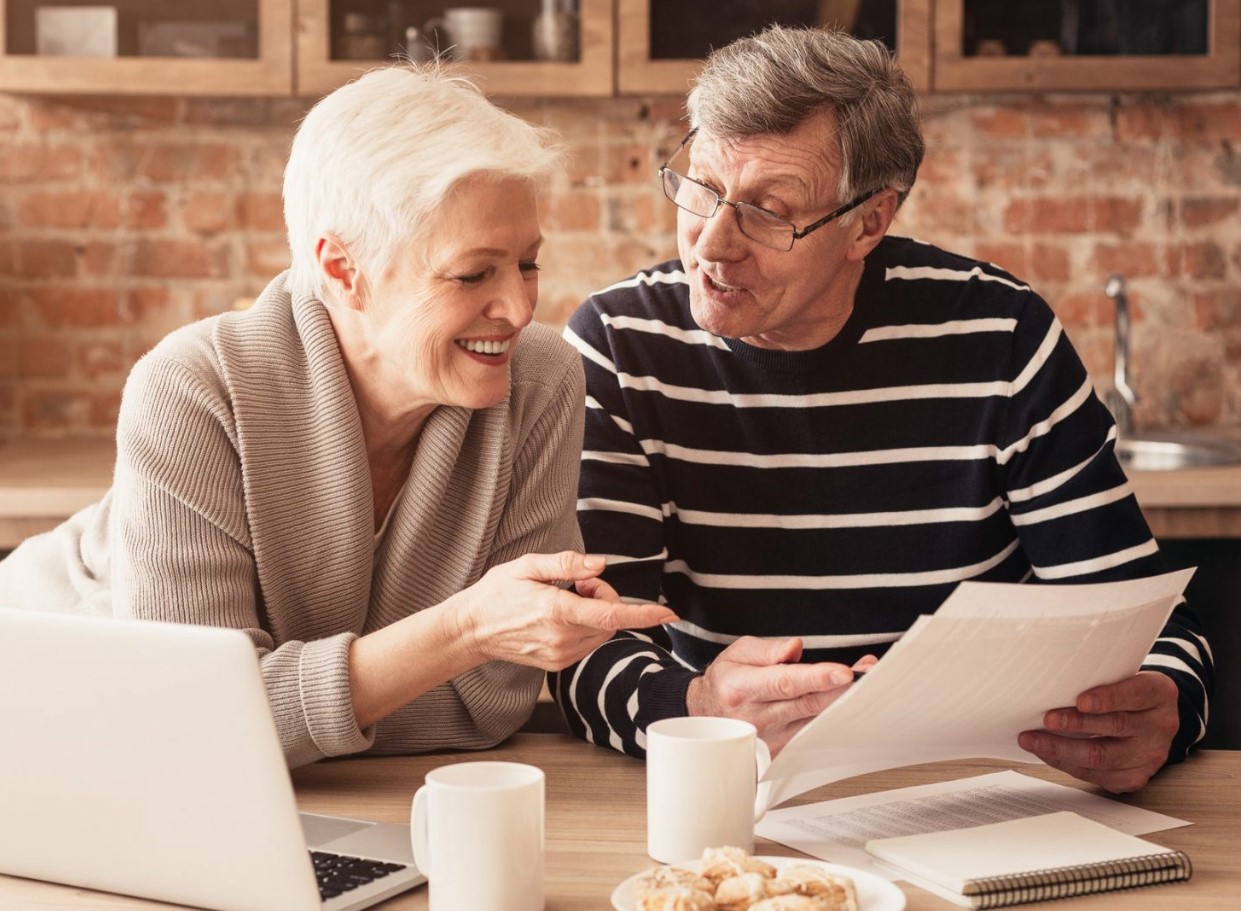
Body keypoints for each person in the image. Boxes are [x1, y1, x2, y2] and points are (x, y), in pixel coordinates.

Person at [550, 25, 1213, 794]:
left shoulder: (999, 335)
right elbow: (584, 647)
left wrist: (1163, 703)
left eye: (768, 210)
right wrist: (695, 705)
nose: (713, 244)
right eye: (701, 188)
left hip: (978, 785)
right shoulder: (619, 342)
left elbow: (1144, 621)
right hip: (735, 785)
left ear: (868, 222)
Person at [0, 65, 674, 768]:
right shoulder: (193, 388)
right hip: (43, 733)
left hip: (280, 785)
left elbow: (491, 704)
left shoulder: (541, 379)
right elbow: (192, 726)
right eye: (473, 274)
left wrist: (276, 706)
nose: (518, 307)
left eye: (527, 264)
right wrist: (464, 631)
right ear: (342, 269)